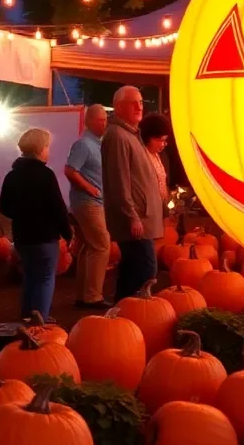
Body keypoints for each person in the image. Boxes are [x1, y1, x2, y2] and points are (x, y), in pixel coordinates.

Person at [0, 128, 72, 320]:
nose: (48, 151)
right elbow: (57, 207)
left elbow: (4, 206)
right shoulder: (45, 175)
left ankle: (27, 315)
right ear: (40, 149)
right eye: (47, 147)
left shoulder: (12, 175)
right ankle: (41, 319)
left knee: (30, 276)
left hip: (22, 236)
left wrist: (21, 214)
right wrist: (67, 232)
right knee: (46, 278)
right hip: (44, 236)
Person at [102, 85, 163, 301]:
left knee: (131, 270)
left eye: (141, 102)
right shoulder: (118, 136)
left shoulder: (130, 134)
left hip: (140, 217)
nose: (139, 107)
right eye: (132, 103)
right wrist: (131, 216)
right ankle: (133, 316)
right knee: (146, 271)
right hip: (136, 220)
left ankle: (120, 314)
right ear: (118, 107)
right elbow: (118, 181)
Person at [65, 104, 110, 310]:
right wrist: (91, 189)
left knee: (87, 246)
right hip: (88, 202)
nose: (105, 123)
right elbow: (70, 170)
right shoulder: (83, 144)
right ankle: (93, 296)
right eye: (101, 120)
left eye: (105, 119)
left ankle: (83, 295)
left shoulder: (96, 144)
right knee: (101, 245)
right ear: (89, 121)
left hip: (90, 201)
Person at [139, 112, 172, 206]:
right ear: (147, 138)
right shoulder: (141, 157)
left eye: (165, 140)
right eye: (160, 140)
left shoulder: (161, 156)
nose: (164, 144)